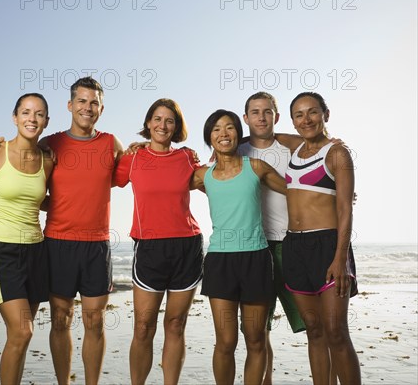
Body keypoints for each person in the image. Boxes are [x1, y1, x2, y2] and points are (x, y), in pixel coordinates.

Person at [0, 76, 124, 385]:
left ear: (102, 107)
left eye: (94, 102)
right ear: (70, 106)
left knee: (95, 323)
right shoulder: (50, 146)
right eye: (82, 101)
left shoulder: (111, 144)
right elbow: (30, 187)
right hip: (56, 244)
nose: (88, 107)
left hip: (96, 246)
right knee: (59, 320)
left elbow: (133, 173)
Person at [191, 109, 286, 385]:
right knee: (225, 341)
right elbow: (166, 180)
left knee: (255, 339)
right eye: (217, 129)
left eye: (230, 127)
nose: (224, 133)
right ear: (209, 137)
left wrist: (333, 189)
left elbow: (295, 191)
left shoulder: (255, 167)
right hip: (220, 262)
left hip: (256, 259)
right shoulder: (201, 176)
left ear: (238, 133)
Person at [113, 99, 203, 385]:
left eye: (169, 121)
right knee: (143, 326)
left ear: (176, 127)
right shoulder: (134, 158)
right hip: (150, 248)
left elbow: (218, 179)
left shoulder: (187, 157)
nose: (163, 125)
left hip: (187, 246)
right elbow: (99, 181)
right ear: (148, 123)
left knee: (176, 325)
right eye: (157, 119)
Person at [283, 92, 360, 384]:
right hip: (295, 247)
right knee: (314, 332)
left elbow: (344, 209)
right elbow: (262, 133)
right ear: (292, 120)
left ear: (326, 114)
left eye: (313, 112)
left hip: (328, 246)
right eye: (299, 115)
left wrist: (340, 258)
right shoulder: (294, 148)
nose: (306, 120)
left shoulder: (337, 153)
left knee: (336, 332)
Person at [0, 93, 54, 384]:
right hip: (3, 252)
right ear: (14, 117)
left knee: (20, 336)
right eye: (25, 113)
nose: (31, 119)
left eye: (38, 114)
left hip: (37, 251)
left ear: (46, 121)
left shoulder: (48, 160)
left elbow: (49, 200)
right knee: (23, 331)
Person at [238, 92, 306, 384]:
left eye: (267, 112)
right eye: (255, 112)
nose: (261, 117)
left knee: (313, 326)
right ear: (246, 118)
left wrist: (338, 192)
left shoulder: (293, 148)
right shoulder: (234, 150)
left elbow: (318, 173)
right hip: (252, 249)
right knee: (257, 332)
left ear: (276, 117)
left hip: (291, 245)